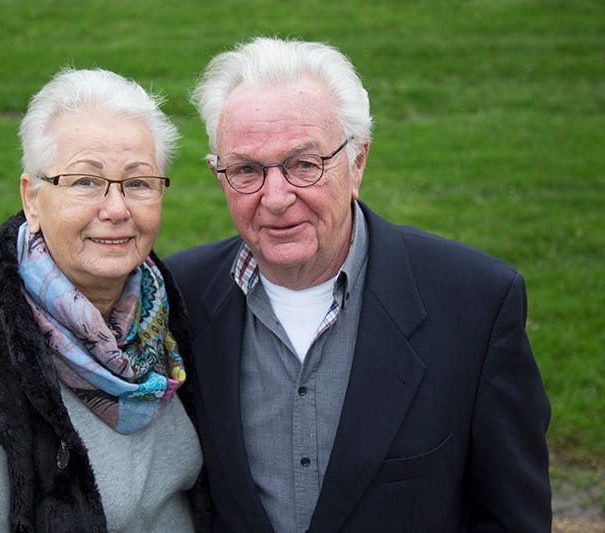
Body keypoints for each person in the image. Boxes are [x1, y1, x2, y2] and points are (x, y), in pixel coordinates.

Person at [165, 37, 551, 532]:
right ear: (219, 175)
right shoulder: (178, 297)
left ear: (358, 162)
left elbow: (512, 518)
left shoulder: (476, 305)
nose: (276, 198)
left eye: (304, 165)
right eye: (246, 170)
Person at [0, 68, 209, 532]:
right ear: (32, 200)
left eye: (138, 183)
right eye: (85, 181)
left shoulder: (172, 321)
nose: (117, 209)